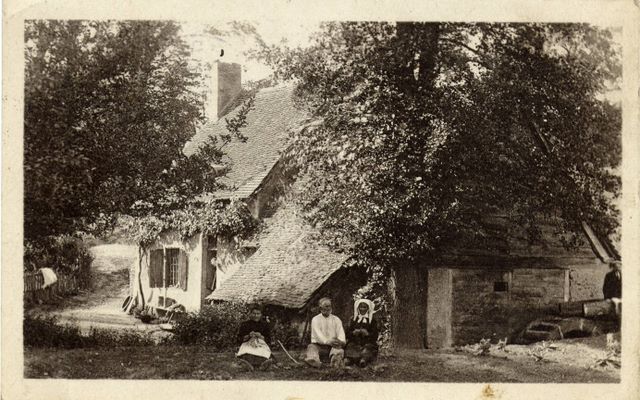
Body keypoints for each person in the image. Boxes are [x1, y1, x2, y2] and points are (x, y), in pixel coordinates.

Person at [304, 298, 346, 368]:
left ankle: (334, 361)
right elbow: (318, 334)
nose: (328, 308)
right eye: (326, 306)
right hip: (319, 346)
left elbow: (340, 332)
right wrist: (328, 341)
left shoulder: (336, 319)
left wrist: (340, 341)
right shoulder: (315, 319)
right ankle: (315, 362)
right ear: (320, 308)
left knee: (339, 350)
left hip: (332, 346)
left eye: (329, 306)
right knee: (311, 347)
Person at [236, 305, 274, 371]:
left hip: (261, 343)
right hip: (248, 343)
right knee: (247, 350)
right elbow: (239, 339)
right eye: (254, 313)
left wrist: (260, 336)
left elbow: (268, 339)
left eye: (258, 314)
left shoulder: (265, 325)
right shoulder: (245, 324)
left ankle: (262, 365)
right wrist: (249, 335)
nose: (256, 315)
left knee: (263, 351)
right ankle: (248, 365)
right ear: (250, 314)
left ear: (261, 315)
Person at [344, 299, 379, 367]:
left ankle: (363, 360)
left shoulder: (372, 320)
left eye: (364, 307)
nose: (362, 309)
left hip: (367, 343)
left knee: (368, 348)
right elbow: (347, 333)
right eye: (361, 307)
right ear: (358, 308)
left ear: (368, 308)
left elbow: (375, 336)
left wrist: (367, 334)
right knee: (350, 346)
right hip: (355, 342)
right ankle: (350, 359)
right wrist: (353, 333)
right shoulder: (353, 319)